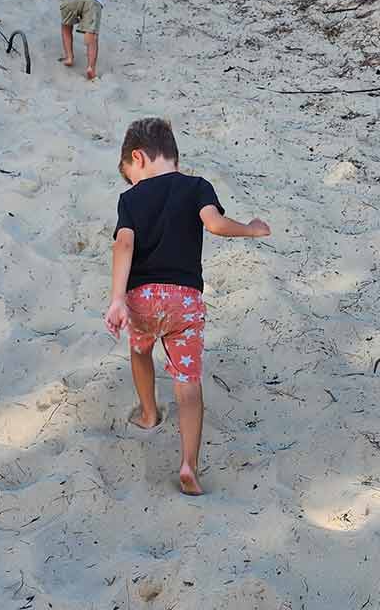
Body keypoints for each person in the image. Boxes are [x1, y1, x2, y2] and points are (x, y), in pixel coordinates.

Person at [104, 117, 271, 496]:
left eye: (130, 174)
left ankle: (148, 414)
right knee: (188, 380)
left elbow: (124, 245)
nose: (131, 183)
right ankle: (188, 466)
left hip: (142, 299)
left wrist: (117, 298)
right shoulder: (197, 187)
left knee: (140, 350)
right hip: (185, 301)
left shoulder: (130, 199)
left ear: (138, 158)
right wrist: (251, 227)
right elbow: (214, 225)